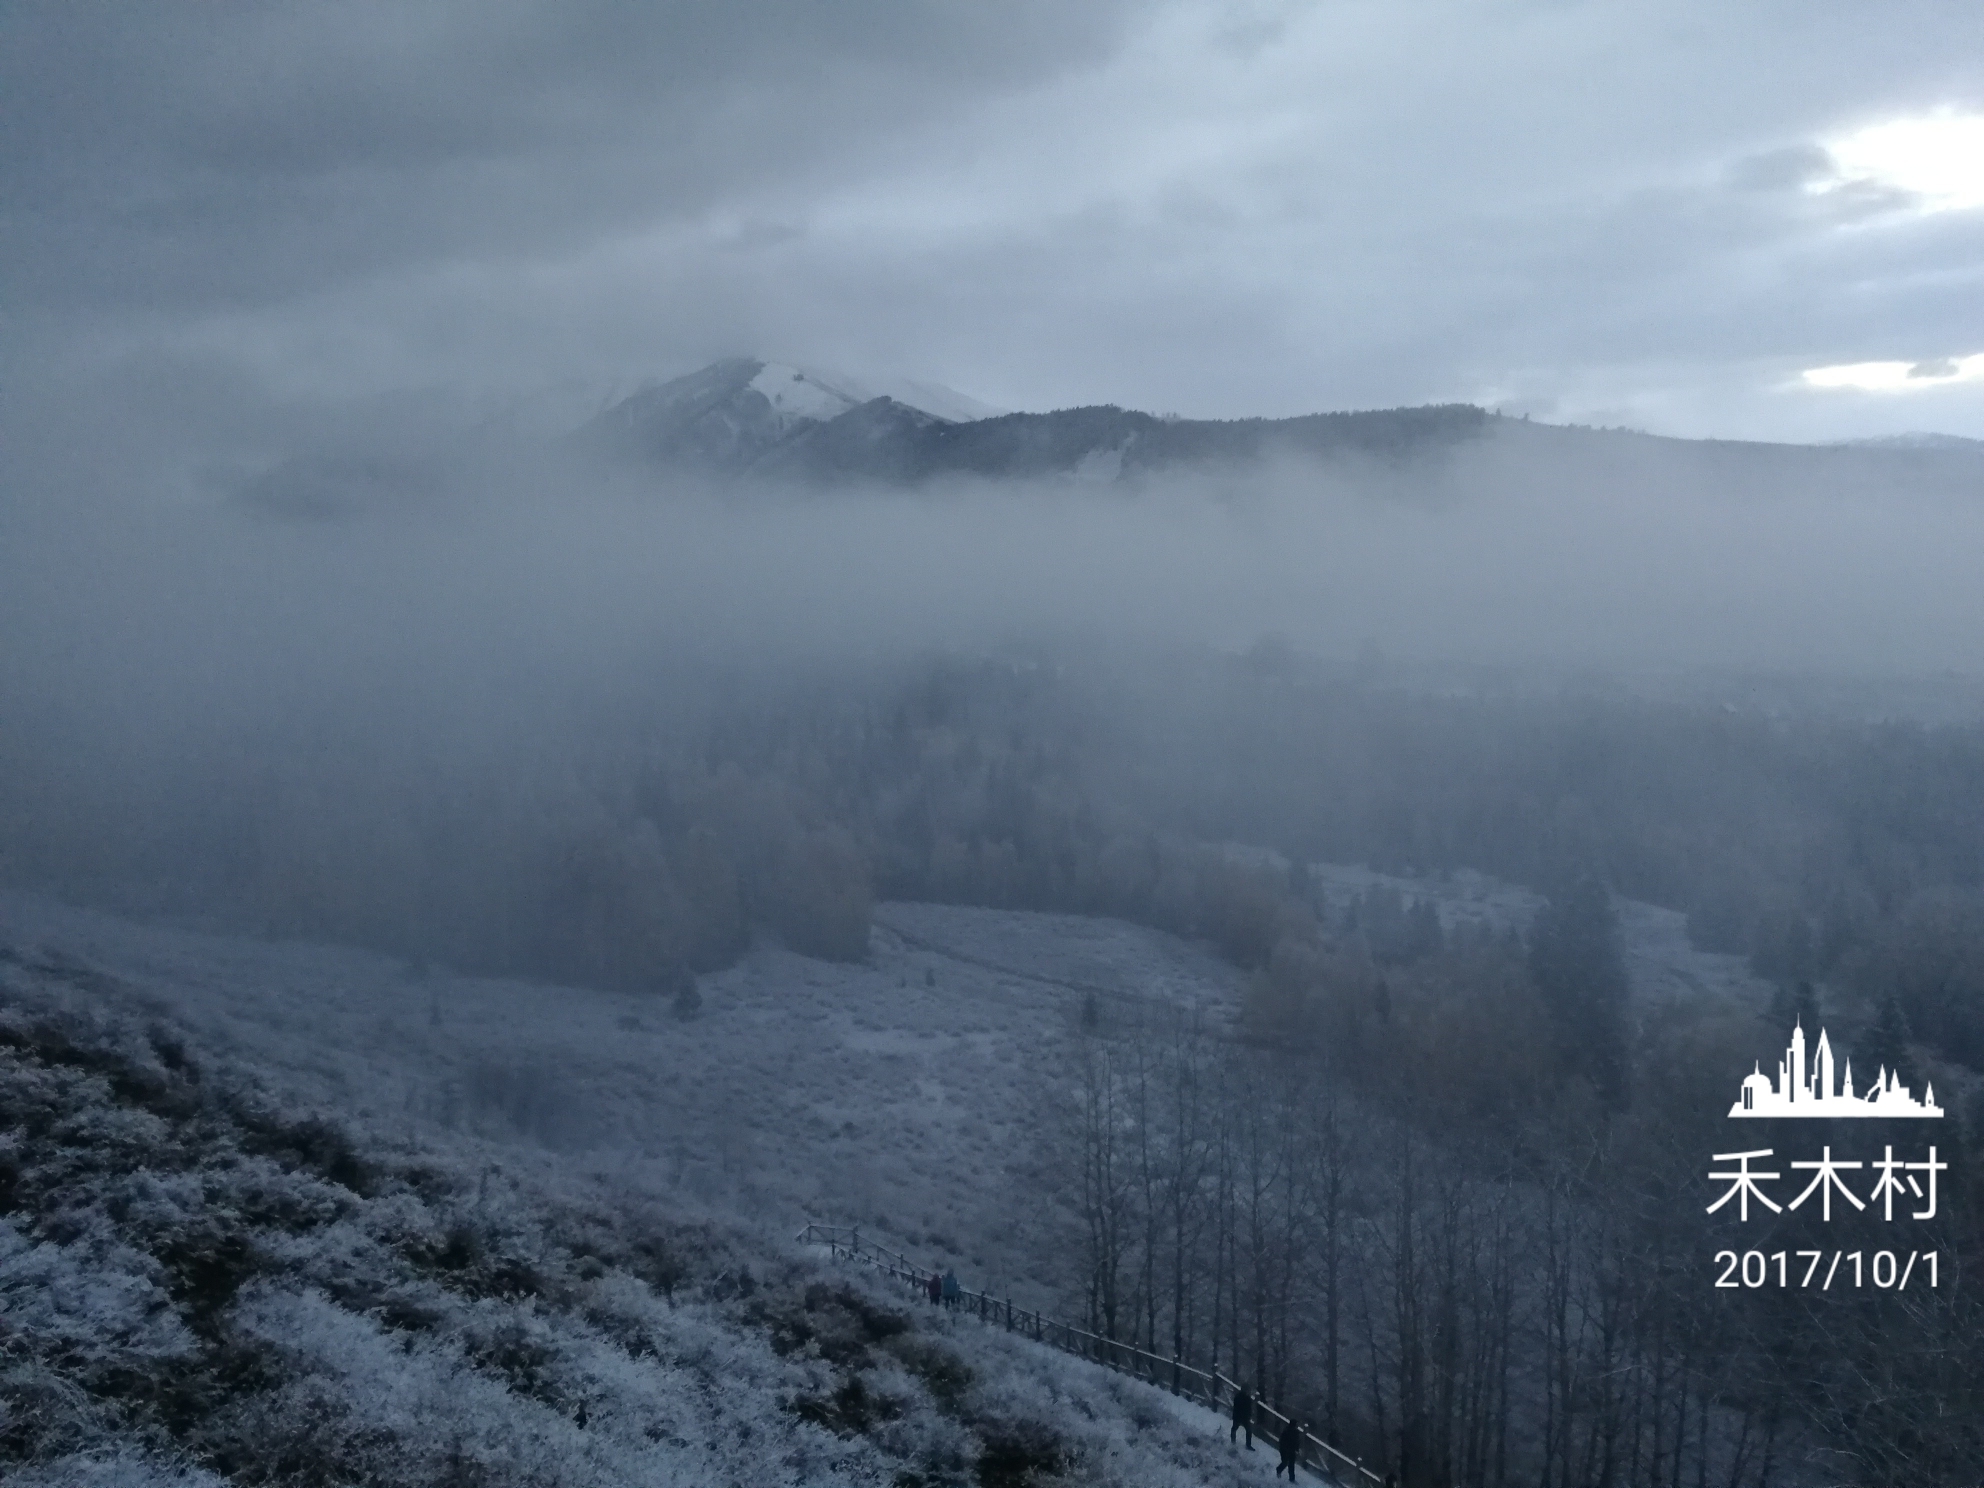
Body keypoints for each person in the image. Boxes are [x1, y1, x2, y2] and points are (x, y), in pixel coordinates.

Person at [1230, 1383, 1255, 1449]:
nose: (1248, 1391)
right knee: (1235, 1429)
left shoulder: (1246, 1398)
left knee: (1248, 1430)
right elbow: (1238, 1407)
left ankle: (1247, 1445)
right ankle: (1233, 1442)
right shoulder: (1239, 1397)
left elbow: (1249, 1408)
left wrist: (1249, 1415)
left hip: (1243, 1417)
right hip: (1239, 1416)